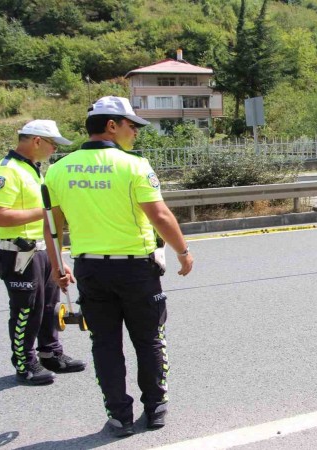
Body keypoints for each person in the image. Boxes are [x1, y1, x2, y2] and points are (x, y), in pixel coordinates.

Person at [43, 96, 194, 438]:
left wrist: (57, 265)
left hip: (90, 270)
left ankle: (119, 417)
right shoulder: (134, 165)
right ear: (112, 125)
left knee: (105, 345)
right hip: (136, 270)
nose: (135, 133)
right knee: (149, 340)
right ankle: (155, 408)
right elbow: (159, 215)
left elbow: (51, 227)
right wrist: (183, 251)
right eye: (131, 125)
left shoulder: (58, 169)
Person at [0, 120, 86, 386]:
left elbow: (44, 223)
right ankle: (25, 363)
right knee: (26, 309)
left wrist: (58, 260)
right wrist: (45, 212)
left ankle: (50, 353)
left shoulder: (33, 169)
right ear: (37, 141)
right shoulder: (6, 171)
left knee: (50, 306)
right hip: (16, 253)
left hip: (39, 249)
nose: (55, 149)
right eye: (53, 144)